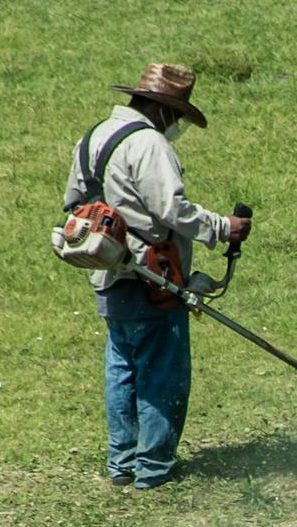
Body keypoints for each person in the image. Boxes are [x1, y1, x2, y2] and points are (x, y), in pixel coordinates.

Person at [65, 61, 252, 489]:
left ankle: (123, 464)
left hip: (109, 273)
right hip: (154, 277)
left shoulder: (91, 138)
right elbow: (173, 209)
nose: (177, 126)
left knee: (123, 368)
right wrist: (223, 227)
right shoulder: (148, 143)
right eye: (179, 116)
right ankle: (153, 467)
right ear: (163, 109)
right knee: (162, 370)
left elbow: (73, 204)